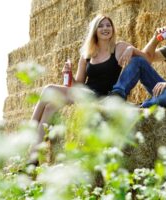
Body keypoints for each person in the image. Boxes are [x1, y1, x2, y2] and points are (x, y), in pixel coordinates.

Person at [28, 14, 146, 165]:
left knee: (49, 89)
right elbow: (79, 84)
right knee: (50, 107)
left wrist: (131, 49)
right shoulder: (87, 55)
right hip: (86, 93)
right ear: (95, 31)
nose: (105, 28)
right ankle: (32, 159)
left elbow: (146, 58)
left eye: (108, 25)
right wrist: (69, 76)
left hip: (105, 97)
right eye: (101, 26)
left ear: (113, 29)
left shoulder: (118, 48)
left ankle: (27, 134)